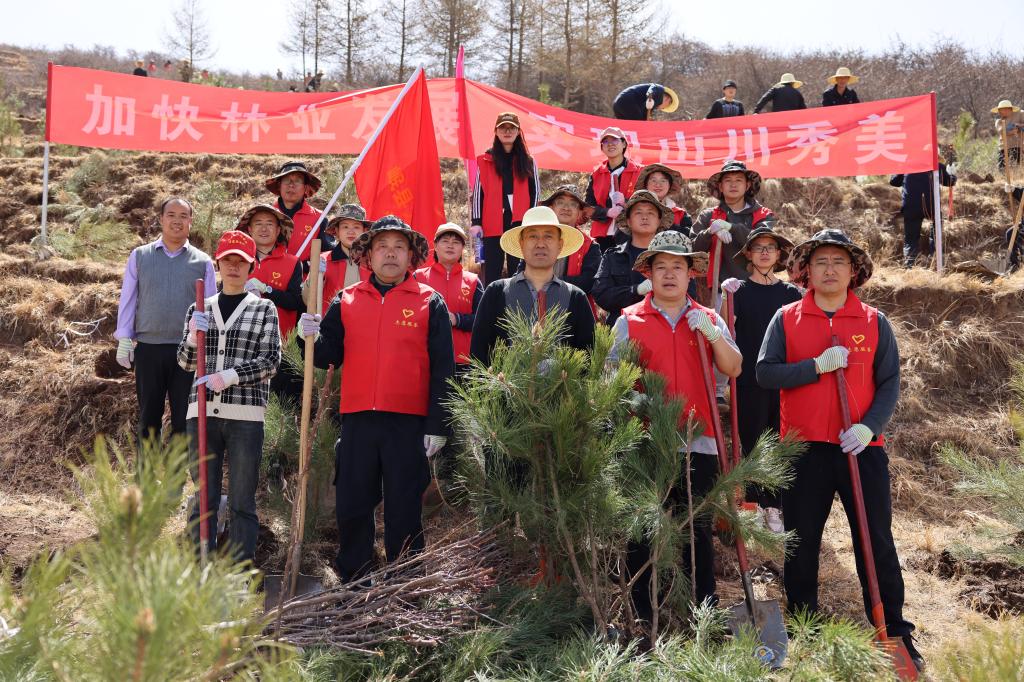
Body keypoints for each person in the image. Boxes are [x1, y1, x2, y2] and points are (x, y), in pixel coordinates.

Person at [756, 229, 923, 671]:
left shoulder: (873, 321)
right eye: (821, 262)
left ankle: (893, 630)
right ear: (806, 271)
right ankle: (805, 626)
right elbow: (765, 374)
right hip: (803, 448)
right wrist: (813, 367)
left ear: (854, 271)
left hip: (861, 448)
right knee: (802, 542)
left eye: (839, 262)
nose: (829, 270)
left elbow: (889, 381)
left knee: (876, 541)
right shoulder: (787, 318)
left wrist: (870, 427)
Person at [298, 216, 455, 582]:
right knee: (353, 504)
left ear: (411, 255)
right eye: (382, 246)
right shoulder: (346, 300)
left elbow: (443, 370)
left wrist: (437, 425)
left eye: (399, 247)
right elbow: (326, 356)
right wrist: (309, 335)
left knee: (404, 507)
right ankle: (354, 580)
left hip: (408, 422)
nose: (390, 253)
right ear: (368, 255)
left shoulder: (429, 302)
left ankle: (405, 582)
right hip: (357, 420)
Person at [611, 230, 741, 619]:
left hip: (698, 441)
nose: (669, 274)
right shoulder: (629, 320)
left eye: (677, 267)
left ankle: (703, 616)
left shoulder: (709, 318)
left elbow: (733, 367)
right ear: (649, 273)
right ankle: (641, 616)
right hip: (646, 440)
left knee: (696, 532)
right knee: (642, 532)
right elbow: (611, 380)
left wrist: (713, 334)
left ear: (690, 274)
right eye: (661, 267)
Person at [177, 230, 282, 563]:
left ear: (252, 267)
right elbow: (185, 363)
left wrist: (231, 376)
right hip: (201, 414)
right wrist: (192, 337)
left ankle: (239, 569)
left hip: (245, 418)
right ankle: (200, 568)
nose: (234, 267)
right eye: (228, 260)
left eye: (241, 261)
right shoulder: (199, 308)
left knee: (241, 500)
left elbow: (271, 361)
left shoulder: (264, 309)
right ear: (218, 264)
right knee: (203, 499)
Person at [115, 197, 216, 448]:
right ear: (161, 219)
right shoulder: (140, 256)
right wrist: (124, 337)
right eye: (171, 215)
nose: (177, 221)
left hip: (188, 350)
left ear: (191, 221)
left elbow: (210, 308)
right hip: (149, 348)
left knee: (184, 419)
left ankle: (177, 472)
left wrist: (208, 348)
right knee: (149, 418)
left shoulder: (202, 261)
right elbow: (128, 299)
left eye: (183, 216)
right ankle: (147, 472)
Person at [719, 228, 801, 533]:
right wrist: (725, 297)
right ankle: (754, 504)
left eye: (770, 247)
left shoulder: (791, 294)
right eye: (758, 248)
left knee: (779, 443)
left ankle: (775, 506)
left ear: (779, 255)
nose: (765, 252)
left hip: (783, 380)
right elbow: (724, 330)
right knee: (752, 442)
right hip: (748, 380)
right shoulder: (737, 290)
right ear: (749, 255)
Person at [470, 206, 595, 367]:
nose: (540, 244)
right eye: (533, 236)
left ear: (560, 245)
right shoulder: (497, 292)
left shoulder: (576, 297)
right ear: (521, 244)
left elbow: (588, 363)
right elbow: (478, 359)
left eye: (548, 236)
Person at [234, 204, 304, 406]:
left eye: (269, 224)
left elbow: (295, 301)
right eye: (258, 224)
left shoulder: (293, 262)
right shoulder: (237, 260)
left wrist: (268, 290)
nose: (264, 228)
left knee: (283, 408)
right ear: (249, 229)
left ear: (279, 229)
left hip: (283, 348)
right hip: (243, 346)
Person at [692, 160, 776, 307]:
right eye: (728, 180)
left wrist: (732, 227)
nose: (733, 184)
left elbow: (762, 241)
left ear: (747, 185)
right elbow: (692, 248)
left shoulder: (762, 215)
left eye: (738, 180)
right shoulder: (709, 216)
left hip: (757, 288)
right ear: (720, 186)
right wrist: (710, 232)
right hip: (720, 291)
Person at [471, 112, 540, 285]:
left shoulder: (528, 161)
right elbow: (478, 193)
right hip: (491, 219)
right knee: (491, 268)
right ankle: (491, 300)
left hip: (520, 221)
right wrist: (476, 222)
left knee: (518, 268)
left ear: (518, 132)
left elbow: (535, 192)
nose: (507, 131)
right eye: (503, 127)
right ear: (496, 131)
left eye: (511, 128)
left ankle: (518, 299)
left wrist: (531, 220)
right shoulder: (485, 160)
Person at [592, 190, 674, 325]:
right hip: (622, 330)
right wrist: (635, 290)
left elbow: (688, 293)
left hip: (664, 327)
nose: (645, 217)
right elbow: (601, 295)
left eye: (651, 213)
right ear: (628, 221)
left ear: (659, 221)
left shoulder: (674, 257)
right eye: (638, 213)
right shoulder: (613, 256)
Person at [414, 223, 484, 368]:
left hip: (463, 360)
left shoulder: (473, 281)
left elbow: (483, 320)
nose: (450, 245)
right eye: (445, 241)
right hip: (426, 357)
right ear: (435, 246)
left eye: (456, 242)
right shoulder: (418, 278)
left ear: (462, 248)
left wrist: (457, 319)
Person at [585, 126, 643, 251]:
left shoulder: (640, 172)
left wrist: (626, 203)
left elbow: (648, 202)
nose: (610, 144)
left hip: (632, 233)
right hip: (602, 236)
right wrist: (607, 212)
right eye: (605, 141)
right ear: (602, 148)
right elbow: (587, 207)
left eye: (615, 140)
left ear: (624, 144)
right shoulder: (596, 174)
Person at [889, 161, 956, 268]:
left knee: (911, 238)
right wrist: (952, 175)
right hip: (931, 205)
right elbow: (949, 182)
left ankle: (910, 265)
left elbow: (894, 181)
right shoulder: (935, 164)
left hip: (911, 206)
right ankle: (935, 259)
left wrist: (897, 170)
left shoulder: (905, 164)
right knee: (937, 231)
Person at [538, 185, 602, 297]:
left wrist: (551, 283)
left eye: (573, 204)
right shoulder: (536, 239)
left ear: (580, 212)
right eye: (560, 202)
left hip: (574, 304)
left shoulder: (590, 246)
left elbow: (590, 282)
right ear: (551, 208)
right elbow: (521, 273)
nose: (566, 208)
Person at [264, 160, 329, 263]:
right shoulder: (264, 215)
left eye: (297, 180)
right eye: (287, 180)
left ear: (305, 187)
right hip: (267, 273)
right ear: (279, 186)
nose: (291, 185)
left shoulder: (319, 219)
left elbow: (327, 255)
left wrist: (306, 266)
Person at [316, 204, 372, 313]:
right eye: (345, 227)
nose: (351, 231)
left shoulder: (374, 262)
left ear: (364, 231)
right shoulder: (323, 260)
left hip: (365, 320)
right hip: (329, 321)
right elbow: (307, 299)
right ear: (337, 231)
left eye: (356, 227)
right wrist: (314, 278)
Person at [634, 163, 692, 235]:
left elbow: (688, 237)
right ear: (646, 185)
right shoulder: (634, 211)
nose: (658, 185)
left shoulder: (680, 214)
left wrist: (666, 223)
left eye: (663, 181)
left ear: (670, 185)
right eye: (653, 180)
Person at [612, 82, 680, 121]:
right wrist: (650, 96)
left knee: (627, 128)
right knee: (639, 125)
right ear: (668, 99)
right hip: (628, 101)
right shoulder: (659, 90)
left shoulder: (653, 102)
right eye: (664, 107)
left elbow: (645, 115)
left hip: (617, 103)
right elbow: (652, 89)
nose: (661, 108)